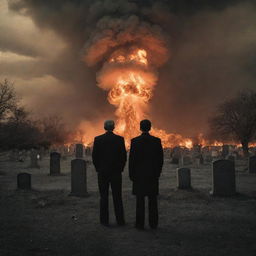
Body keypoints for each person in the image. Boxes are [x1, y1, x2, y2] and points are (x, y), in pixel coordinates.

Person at [129, 119, 163, 230]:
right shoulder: (156, 141)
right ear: (150, 127)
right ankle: (153, 224)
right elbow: (160, 160)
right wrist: (157, 173)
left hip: (139, 176)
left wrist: (132, 175)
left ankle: (140, 224)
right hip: (152, 175)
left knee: (140, 200)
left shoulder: (135, 141)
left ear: (140, 128)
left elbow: (132, 160)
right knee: (152, 200)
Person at [92, 120, 127, 226]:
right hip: (116, 172)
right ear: (114, 127)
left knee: (103, 196)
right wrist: (120, 169)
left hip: (103, 172)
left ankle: (104, 221)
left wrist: (98, 168)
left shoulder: (98, 139)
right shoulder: (119, 139)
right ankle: (120, 221)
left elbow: (95, 157)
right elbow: (123, 157)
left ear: (104, 127)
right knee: (117, 196)